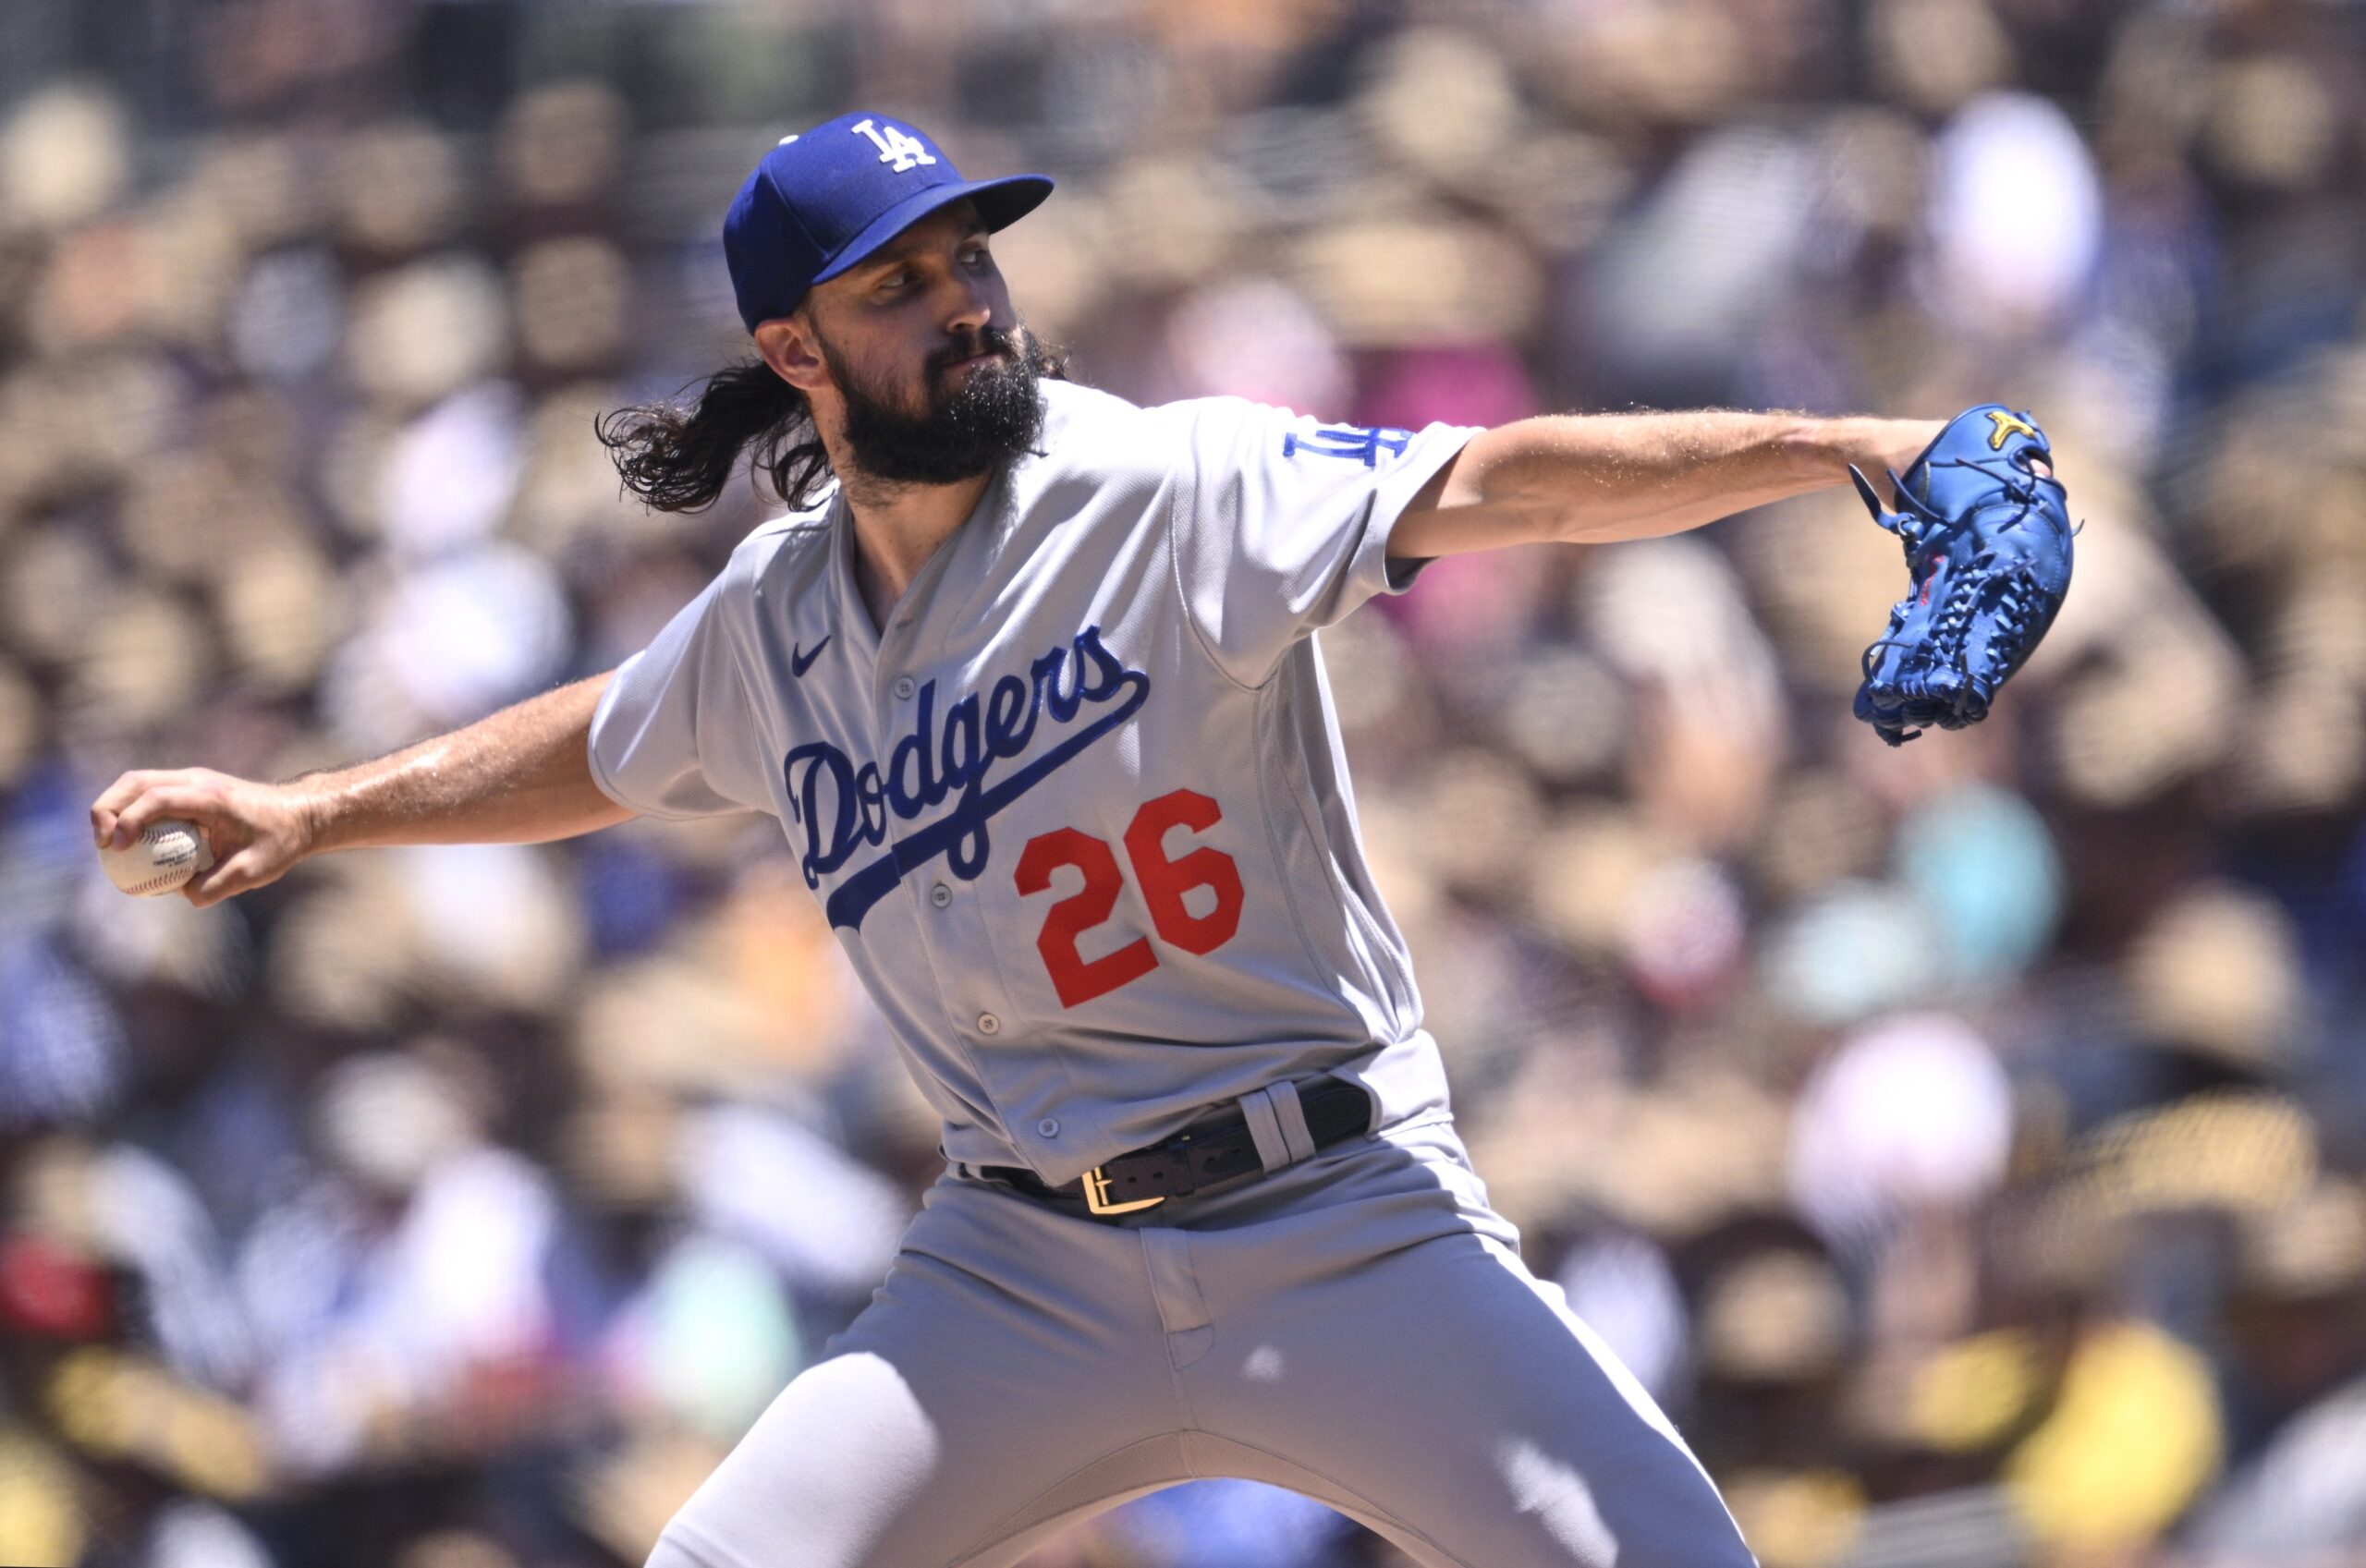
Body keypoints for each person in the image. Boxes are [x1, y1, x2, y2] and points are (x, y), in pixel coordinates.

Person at [91, 113, 1944, 1568]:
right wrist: (313, 810)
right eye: (896, 284)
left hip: (1340, 1220)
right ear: (790, 349)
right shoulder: (770, 624)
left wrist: (1840, 441)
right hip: (1020, 1274)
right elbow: (605, 739)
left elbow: (1497, 483)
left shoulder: (1156, 480)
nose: (965, 300)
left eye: (967, 257)